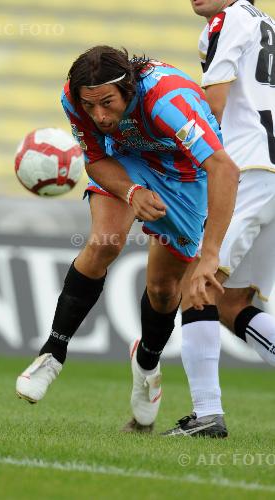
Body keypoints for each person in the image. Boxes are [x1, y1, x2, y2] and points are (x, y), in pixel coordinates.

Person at [15, 45, 239, 432]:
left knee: (164, 289)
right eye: (90, 106)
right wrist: (132, 192)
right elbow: (96, 158)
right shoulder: (74, 96)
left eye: (107, 103)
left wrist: (211, 254)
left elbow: (224, 168)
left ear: (129, 89)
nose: (99, 115)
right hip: (126, 162)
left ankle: (147, 365)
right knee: (104, 241)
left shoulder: (168, 101)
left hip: (186, 177)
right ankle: (53, 353)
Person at [162, 0, 275, 438]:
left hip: (246, 173)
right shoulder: (267, 24)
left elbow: (214, 104)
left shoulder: (226, 20)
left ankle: (207, 415)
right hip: (271, 175)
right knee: (231, 302)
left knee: (198, 284)